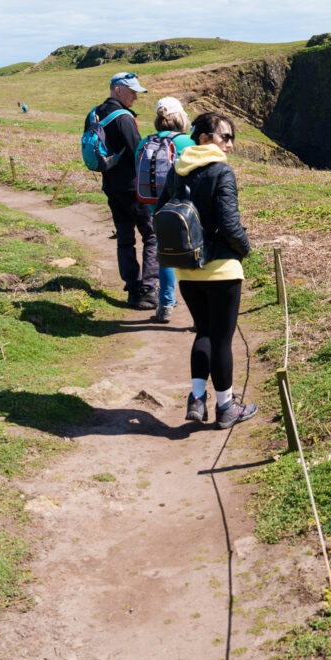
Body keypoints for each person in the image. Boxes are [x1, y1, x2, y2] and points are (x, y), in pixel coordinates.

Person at [157, 111, 255, 428]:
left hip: (187, 269)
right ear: (203, 138)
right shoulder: (221, 172)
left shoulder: (176, 171)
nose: (229, 143)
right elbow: (229, 224)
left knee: (203, 332)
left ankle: (198, 399)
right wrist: (245, 249)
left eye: (231, 138)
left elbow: (160, 213)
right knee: (222, 340)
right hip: (222, 269)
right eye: (224, 136)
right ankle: (226, 407)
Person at [95, 71, 159, 309]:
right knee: (151, 235)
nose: (135, 96)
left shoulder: (95, 113)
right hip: (134, 188)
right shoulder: (122, 118)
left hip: (111, 187)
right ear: (118, 90)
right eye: (132, 92)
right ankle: (148, 289)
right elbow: (138, 153)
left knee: (125, 238)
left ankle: (132, 289)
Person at [138, 97, 195, 324]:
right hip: (187, 208)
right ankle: (198, 315)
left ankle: (165, 305)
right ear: (180, 117)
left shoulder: (144, 143)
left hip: (156, 208)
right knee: (194, 256)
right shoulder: (188, 142)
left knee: (166, 254)